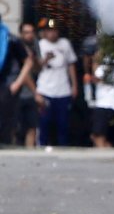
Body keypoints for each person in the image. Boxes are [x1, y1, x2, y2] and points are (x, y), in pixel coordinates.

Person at [35, 18, 78, 146]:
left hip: (63, 89)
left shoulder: (65, 44)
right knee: (44, 121)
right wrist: (46, 59)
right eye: (49, 31)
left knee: (63, 122)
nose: (52, 34)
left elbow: (71, 64)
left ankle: (63, 146)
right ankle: (42, 145)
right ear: (45, 32)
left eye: (54, 31)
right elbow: (35, 67)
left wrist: (74, 85)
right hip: (45, 88)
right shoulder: (40, 44)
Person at [0, 17, 32, 145]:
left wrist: (18, 82)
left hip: (7, 84)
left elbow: (28, 62)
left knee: (5, 119)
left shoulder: (10, 39)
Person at [88, 48, 114, 148]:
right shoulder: (108, 59)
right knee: (98, 134)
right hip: (106, 102)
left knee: (101, 135)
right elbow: (97, 77)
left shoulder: (111, 62)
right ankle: (104, 149)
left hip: (110, 102)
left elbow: (97, 78)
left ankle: (104, 150)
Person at [16, 23, 42, 147]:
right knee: (17, 127)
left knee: (32, 126)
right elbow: (24, 74)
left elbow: (36, 69)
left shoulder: (35, 46)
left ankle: (30, 152)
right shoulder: (16, 46)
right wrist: (35, 92)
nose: (30, 35)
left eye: (32, 32)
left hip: (30, 93)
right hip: (18, 93)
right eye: (26, 32)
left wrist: (36, 60)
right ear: (21, 34)